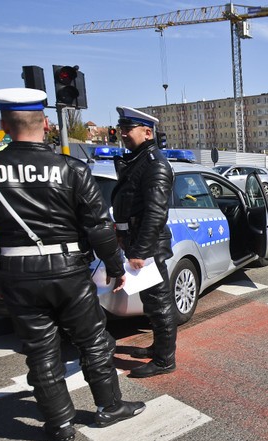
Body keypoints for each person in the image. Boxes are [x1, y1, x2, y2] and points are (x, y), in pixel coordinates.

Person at [0, 88, 145, 441]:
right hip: (67, 271)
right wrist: (115, 266)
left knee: (40, 349)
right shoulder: (70, 169)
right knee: (93, 341)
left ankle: (59, 425)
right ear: (46, 123)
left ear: (3, 125)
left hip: (16, 273)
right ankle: (109, 408)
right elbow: (97, 226)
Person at [111, 106, 177, 378]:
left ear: (147, 132)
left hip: (147, 246)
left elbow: (155, 212)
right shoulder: (139, 159)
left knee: (159, 303)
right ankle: (157, 347)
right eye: (121, 128)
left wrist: (139, 251)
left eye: (128, 129)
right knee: (151, 302)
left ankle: (164, 360)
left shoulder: (154, 164)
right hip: (137, 241)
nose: (122, 134)